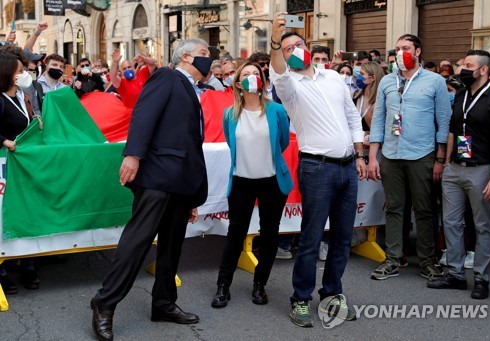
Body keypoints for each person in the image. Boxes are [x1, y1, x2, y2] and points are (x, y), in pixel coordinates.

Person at [90, 38, 210, 341]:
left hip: (180, 180)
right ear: (185, 57)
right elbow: (144, 114)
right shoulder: (167, 77)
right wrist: (133, 155)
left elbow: (189, 141)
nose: (210, 58)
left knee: (172, 246)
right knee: (137, 242)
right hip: (158, 175)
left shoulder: (192, 89)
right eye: (204, 54)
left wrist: (192, 192)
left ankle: (164, 303)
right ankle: (105, 303)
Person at [270, 13, 366, 327]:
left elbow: (353, 118)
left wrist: (360, 155)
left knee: (341, 238)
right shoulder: (288, 86)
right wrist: (275, 40)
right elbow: (278, 73)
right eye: (287, 49)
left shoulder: (335, 78)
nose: (295, 49)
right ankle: (300, 299)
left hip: (348, 168)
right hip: (317, 168)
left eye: (298, 44)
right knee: (311, 237)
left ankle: (332, 295)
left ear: (308, 46)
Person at [368, 34, 451, 281]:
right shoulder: (386, 82)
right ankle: (393, 258)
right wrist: (373, 156)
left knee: (424, 209)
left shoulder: (435, 81)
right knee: (394, 208)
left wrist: (440, 158)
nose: (399, 52)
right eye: (396, 49)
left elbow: (443, 121)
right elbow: (379, 120)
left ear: (417, 52)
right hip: (391, 155)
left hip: (422, 154)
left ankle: (427, 260)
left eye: (405, 48)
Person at [211, 61, 293, 308]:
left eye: (255, 74)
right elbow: (230, 142)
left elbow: (283, 143)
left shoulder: (277, 110)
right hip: (241, 182)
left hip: (272, 181)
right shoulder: (230, 114)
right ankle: (223, 286)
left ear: (263, 80)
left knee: (269, 235)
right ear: (237, 83)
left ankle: (260, 284)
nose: (251, 78)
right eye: (245, 75)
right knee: (235, 234)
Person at [427, 50, 490, 300]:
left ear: (483, 70)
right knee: (451, 222)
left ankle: (481, 277)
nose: (462, 69)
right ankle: (456, 274)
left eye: (468, 65)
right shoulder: (460, 94)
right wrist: (446, 162)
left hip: (482, 169)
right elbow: (453, 129)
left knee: (482, 225)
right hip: (455, 167)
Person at [0, 53, 39, 294]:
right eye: (20, 69)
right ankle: (3, 270)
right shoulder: (1, 99)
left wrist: (36, 121)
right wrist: (4, 140)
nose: (25, 73)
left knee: (25, 211)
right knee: (6, 213)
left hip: (21, 166)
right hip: (4, 166)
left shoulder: (22, 97)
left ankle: (28, 263)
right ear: (8, 74)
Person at [353, 61, 386, 133]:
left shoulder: (380, 101)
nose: (358, 77)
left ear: (372, 78)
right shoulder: (353, 96)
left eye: (361, 74)